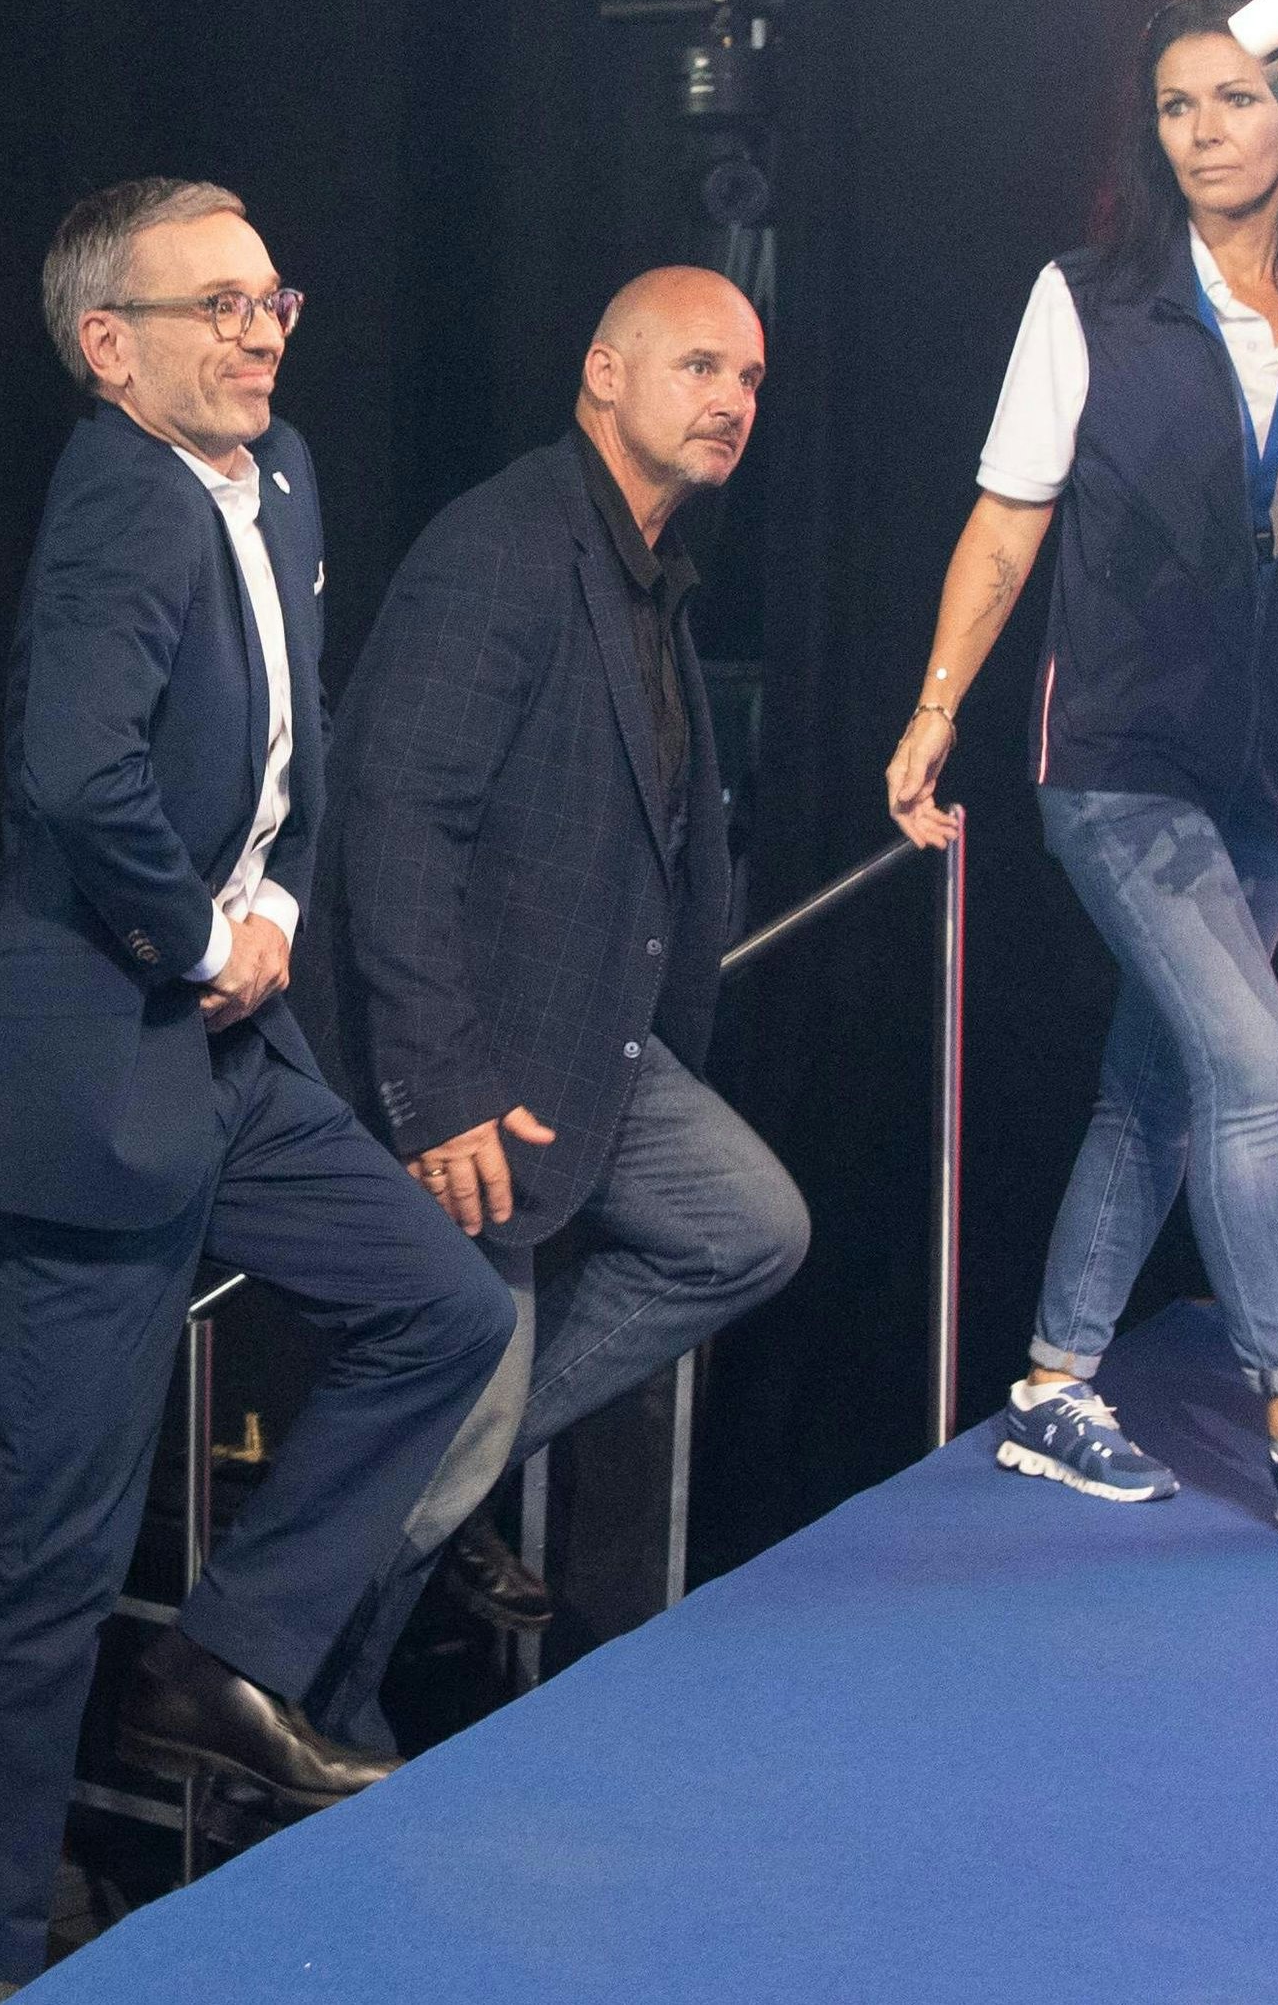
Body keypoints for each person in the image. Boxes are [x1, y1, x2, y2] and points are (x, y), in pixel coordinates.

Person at [0, 181, 511, 2004]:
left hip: (237, 1057)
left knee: (445, 1308)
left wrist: (285, 902)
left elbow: (290, 744)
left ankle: (226, 1657)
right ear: (112, 350)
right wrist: (196, 937)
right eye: (220, 308)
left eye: (272, 301)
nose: (261, 335)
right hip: (92, 1084)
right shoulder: (112, 501)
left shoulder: (285, 471)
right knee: (54, 1565)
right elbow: (74, 780)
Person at [883, 0, 1278, 1545]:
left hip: (1270, 763)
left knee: (1160, 1085)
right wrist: (935, 708)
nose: (1205, 132)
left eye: (1238, 99)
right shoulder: (1093, 296)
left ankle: (1055, 1385)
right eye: (1179, 104)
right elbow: (1008, 511)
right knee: (1249, 1064)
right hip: (1119, 762)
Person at [298, 265, 810, 1667]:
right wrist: (439, 1088)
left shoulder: (644, 572)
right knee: (454, 1414)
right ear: (604, 373)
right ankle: (296, 1701)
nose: (733, 402)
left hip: (588, 1043)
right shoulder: (506, 545)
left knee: (748, 1223)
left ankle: (429, 1480)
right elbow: (392, 821)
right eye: (702, 367)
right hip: (467, 1062)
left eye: (751, 381)